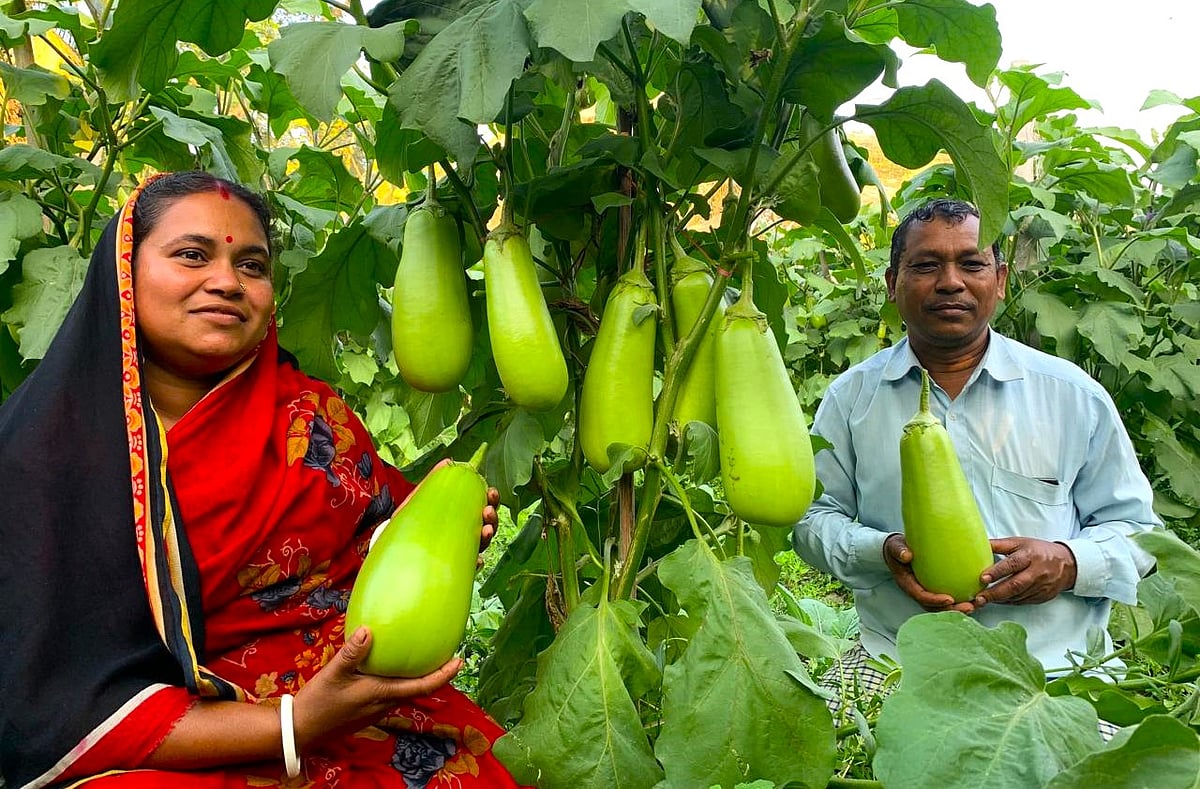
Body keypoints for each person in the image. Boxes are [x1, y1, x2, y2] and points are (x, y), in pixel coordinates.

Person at [0, 172, 525, 787]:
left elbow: (371, 543)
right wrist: (296, 723)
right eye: (192, 255)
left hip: (368, 720)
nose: (227, 282)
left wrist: (437, 529)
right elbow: (51, 701)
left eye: (251, 265)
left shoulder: (312, 418)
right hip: (176, 748)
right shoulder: (42, 451)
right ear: (123, 273)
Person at [792, 198, 1161, 713]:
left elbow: (1141, 535)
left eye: (971, 263)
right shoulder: (851, 399)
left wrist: (1069, 562)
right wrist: (881, 552)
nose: (950, 282)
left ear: (1000, 280)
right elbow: (811, 518)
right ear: (892, 283)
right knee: (811, 744)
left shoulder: (1072, 395)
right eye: (926, 266)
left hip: (1055, 671)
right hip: (896, 661)